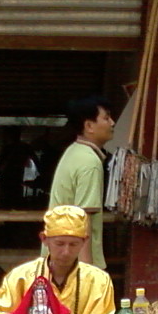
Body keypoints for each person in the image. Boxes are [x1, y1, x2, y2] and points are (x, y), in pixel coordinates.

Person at [0, 204, 115, 314]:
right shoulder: (21, 276)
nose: (66, 252)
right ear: (44, 239)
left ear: (84, 241)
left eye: (73, 244)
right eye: (60, 244)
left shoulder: (99, 280)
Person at [48, 96, 115, 268]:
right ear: (89, 126)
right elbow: (83, 218)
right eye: (106, 118)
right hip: (72, 262)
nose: (112, 123)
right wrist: (85, 272)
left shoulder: (74, 151)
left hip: (59, 256)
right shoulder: (89, 162)